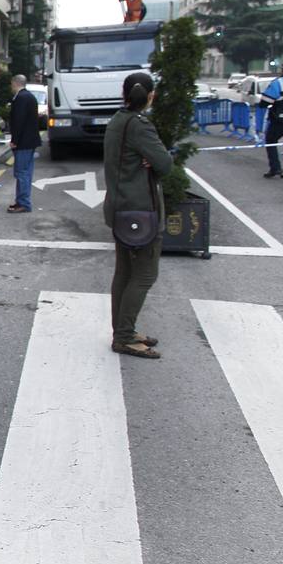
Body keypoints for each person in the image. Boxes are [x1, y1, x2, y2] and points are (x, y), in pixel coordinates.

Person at [102, 72, 174, 360]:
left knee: (124, 272)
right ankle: (124, 336)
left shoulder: (118, 120)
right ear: (151, 96)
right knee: (144, 274)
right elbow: (165, 164)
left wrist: (149, 160)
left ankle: (123, 330)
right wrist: (154, 160)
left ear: (124, 94)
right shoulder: (140, 126)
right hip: (140, 210)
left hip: (121, 207)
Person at [7, 74, 41, 213]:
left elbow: (19, 121)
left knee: (22, 173)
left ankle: (23, 203)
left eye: (11, 84)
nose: (11, 87)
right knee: (26, 172)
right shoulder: (29, 96)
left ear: (15, 83)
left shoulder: (20, 98)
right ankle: (21, 201)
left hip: (23, 142)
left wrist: (15, 140)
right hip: (30, 141)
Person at [259, 62, 283, 179]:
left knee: (271, 141)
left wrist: (263, 106)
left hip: (279, 121)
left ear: (282, 70)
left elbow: (266, 101)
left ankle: (275, 168)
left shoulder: (278, 83)